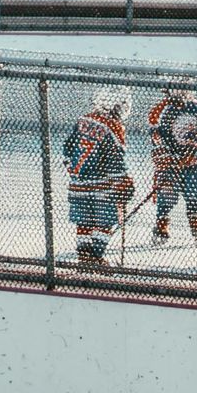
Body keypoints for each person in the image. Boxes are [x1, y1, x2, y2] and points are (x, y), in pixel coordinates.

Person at [63, 90, 134, 266]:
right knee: (105, 221)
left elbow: (67, 149)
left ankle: (84, 257)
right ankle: (96, 256)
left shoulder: (83, 121)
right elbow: (115, 159)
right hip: (103, 186)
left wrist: (73, 171)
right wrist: (124, 181)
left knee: (84, 221)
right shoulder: (114, 128)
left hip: (78, 184)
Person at [149, 76, 197, 244]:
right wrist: (167, 157)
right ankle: (161, 223)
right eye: (176, 88)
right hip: (169, 165)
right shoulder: (161, 110)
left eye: (184, 87)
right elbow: (156, 137)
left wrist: (194, 148)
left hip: (192, 164)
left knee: (194, 192)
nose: (180, 91)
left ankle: (195, 222)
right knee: (166, 195)